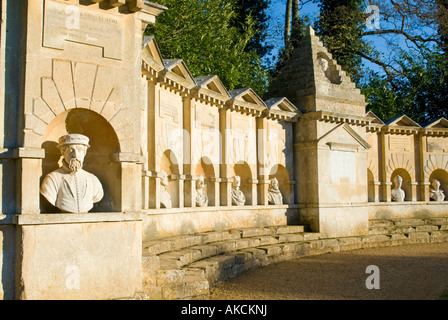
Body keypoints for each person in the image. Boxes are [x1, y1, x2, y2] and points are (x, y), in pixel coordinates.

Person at [40, 134, 103, 213]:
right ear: (63, 152)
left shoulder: (93, 179)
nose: (75, 155)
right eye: (71, 150)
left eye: (80, 150)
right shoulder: (52, 179)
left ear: (85, 153)